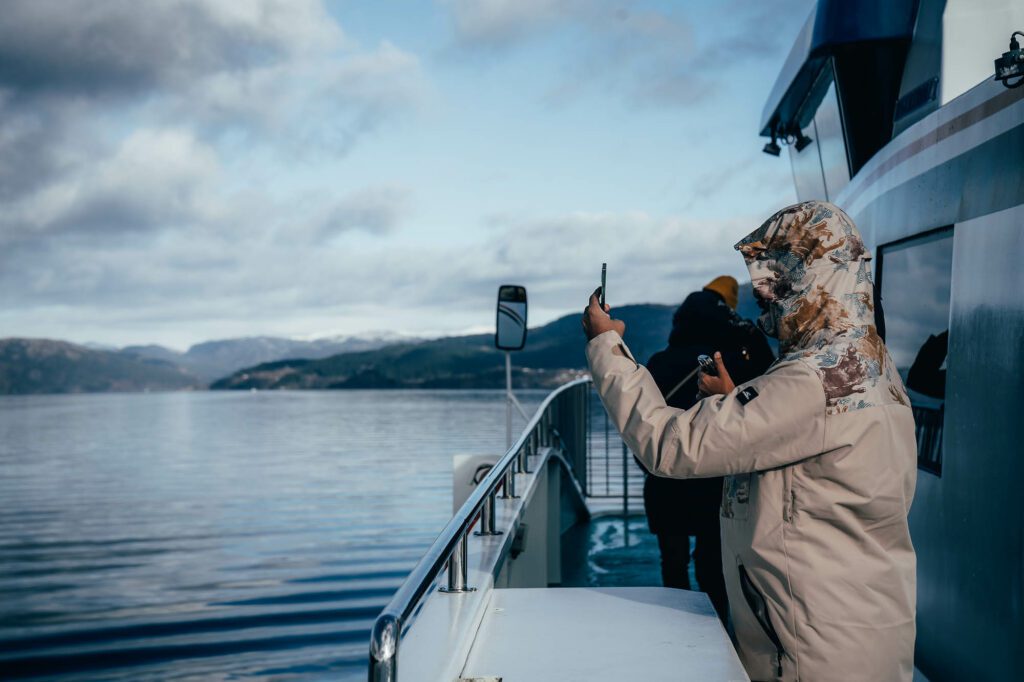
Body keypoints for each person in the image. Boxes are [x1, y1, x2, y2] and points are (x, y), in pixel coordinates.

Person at [581, 201, 916, 682]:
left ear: (808, 279)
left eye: (774, 282)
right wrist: (741, 401)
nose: (765, 298)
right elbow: (815, 444)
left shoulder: (810, 381)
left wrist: (605, 346)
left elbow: (670, 445)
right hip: (864, 631)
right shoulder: (873, 367)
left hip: (809, 652)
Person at [643, 275, 774, 621]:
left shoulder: (659, 362)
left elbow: (644, 421)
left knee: (672, 561)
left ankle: (675, 625)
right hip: (712, 478)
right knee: (711, 561)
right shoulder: (735, 359)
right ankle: (714, 629)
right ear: (726, 313)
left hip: (664, 478)